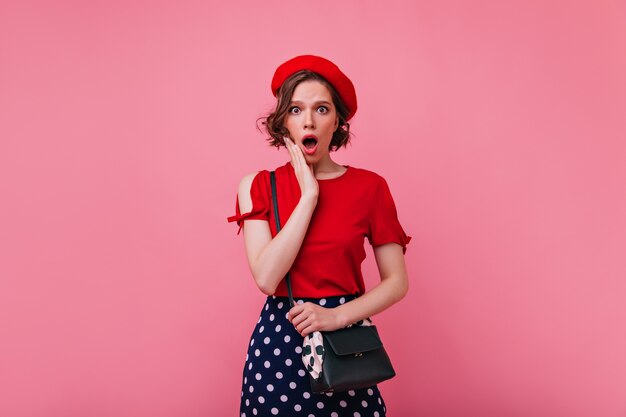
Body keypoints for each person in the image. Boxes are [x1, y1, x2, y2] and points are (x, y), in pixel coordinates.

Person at [227, 54, 412, 417]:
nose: (308, 120)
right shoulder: (259, 186)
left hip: (346, 341)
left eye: (321, 109)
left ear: (337, 121)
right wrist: (308, 196)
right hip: (281, 342)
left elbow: (397, 282)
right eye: (295, 110)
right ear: (283, 122)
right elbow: (266, 278)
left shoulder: (370, 187)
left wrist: (336, 317)